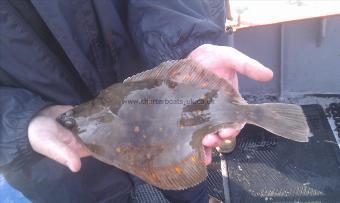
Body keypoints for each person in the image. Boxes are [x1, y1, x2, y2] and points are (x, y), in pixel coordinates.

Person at [0, 0, 273, 202]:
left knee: (187, 176)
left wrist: (186, 42)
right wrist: (18, 123)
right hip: (52, 164)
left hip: (148, 60)